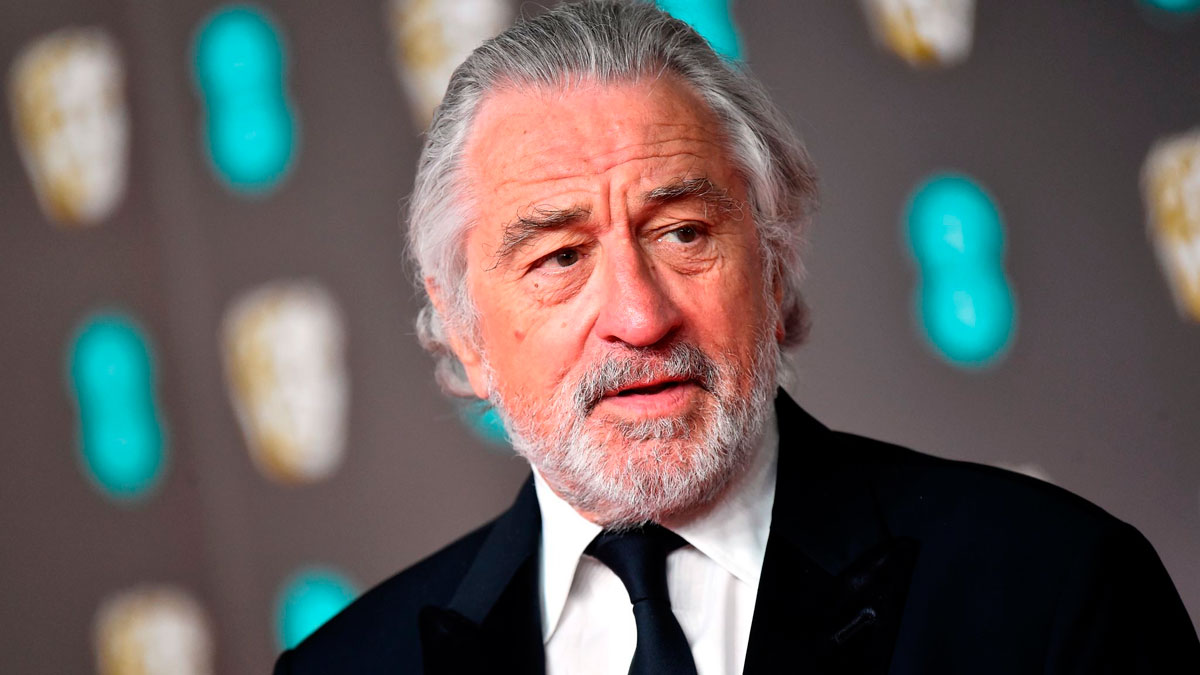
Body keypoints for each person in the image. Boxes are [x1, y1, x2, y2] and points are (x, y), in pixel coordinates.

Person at [273, 2, 1199, 673]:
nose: (641, 317)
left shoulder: (1054, 587)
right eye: (559, 256)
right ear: (464, 330)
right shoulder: (345, 667)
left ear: (776, 264)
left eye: (683, 233)